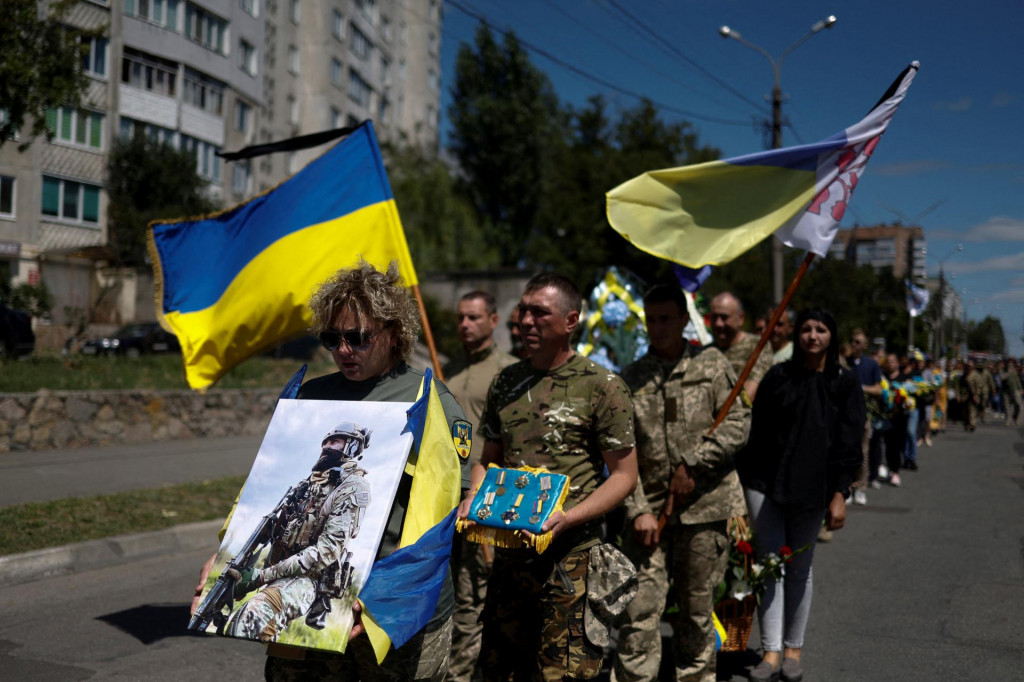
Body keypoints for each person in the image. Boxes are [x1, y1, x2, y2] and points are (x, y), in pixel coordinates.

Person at [191, 260, 470, 681]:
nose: (343, 350)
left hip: (394, 609)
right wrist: (222, 556)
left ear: (393, 334)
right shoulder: (312, 397)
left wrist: (389, 595)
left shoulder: (427, 398)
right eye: (332, 338)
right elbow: (263, 499)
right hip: (311, 600)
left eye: (357, 338)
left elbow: (451, 506)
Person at [459, 272, 638, 680]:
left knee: (563, 675)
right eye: (523, 311)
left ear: (570, 321)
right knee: (502, 672)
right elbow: (488, 458)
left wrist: (569, 519)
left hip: (571, 559)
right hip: (510, 557)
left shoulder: (602, 386)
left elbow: (624, 476)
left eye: (540, 313)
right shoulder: (507, 381)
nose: (525, 321)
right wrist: (475, 495)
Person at [613, 284, 749, 682]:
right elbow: (621, 450)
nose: (658, 328)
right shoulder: (631, 378)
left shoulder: (711, 364)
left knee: (696, 613)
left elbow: (738, 424)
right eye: (651, 320)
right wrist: (637, 508)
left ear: (685, 320)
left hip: (706, 509)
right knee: (638, 613)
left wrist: (695, 464)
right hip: (649, 514)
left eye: (666, 319)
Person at [737, 308, 865, 682]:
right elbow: (756, 433)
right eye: (806, 329)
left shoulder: (844, 383)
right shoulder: (778, 376)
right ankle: (771, 652)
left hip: (814, 490)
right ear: (797, 335)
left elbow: (848, 443)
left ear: (832, 336)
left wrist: (840, 493)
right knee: (769, 565)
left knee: (799, 570)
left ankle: (793, 648)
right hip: (765, 484)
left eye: (821, 329)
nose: (812, 336)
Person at [226, 422, 373, 641]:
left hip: (308, 579)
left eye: (335, 441)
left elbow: (327, 551)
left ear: (352, 447)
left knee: (253, 617)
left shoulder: (353, 487)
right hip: (277, 570)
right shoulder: (306, 486)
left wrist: (259, 577)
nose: (326, 447)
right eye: (324, 442)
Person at [443, 291, 517, 682]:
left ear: (493, 320)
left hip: (484, 496)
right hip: (443, 495)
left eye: (473, 317)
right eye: (460, 318)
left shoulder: (509, 373)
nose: (465, 325)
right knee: (445, 590)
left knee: (478, 593)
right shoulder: (447, 370)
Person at [709, 292, 774, 403]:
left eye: (724, 317)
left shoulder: (757, 346)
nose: (718, 323)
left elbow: (749, 395)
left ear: (740, 318)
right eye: (714, 317)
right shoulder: (706, 352)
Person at [847, 329, 882, 505]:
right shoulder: (845, 362)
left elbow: (879, 389)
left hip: (863, 415)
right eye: (853, 341)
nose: (854, 345)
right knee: (844, 453)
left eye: (858, 342)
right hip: (844, 416)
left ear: (865, 345)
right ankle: (844, 489)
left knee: (862, 453)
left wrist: (862, 388)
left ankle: (860, 489)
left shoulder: (871, 365)